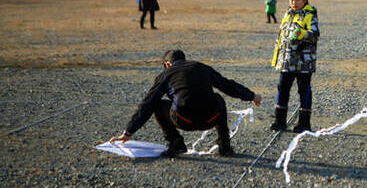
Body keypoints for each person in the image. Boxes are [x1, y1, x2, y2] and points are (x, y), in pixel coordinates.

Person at [108, 50, 263, 158]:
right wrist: (252, 96)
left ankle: (176, 143)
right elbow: (227, 85)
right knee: (219, 99)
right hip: (211, 118)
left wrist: (128, 132)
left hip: (184, 120)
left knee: (157, 104)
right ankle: (225, 146)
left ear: (168, 64)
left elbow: (147, 103)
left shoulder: (166, 74)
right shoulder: (202, 67)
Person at [270, 0, 319, 133]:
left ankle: (304, 123)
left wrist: (301, 34)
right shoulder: (287, 14)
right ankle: (280, 121)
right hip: (286, 62)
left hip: (304, 63)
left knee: (304, 91)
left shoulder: (310, 14)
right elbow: (281, 38)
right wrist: (277, 57)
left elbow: (314, 34)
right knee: (282, 89)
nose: (294, 2)